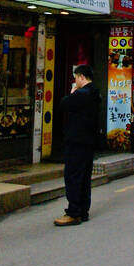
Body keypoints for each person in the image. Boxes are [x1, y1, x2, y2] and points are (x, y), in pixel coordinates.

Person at [55, 64, 100, 226]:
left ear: (81, 77)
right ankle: (83, 211)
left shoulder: (81, 94)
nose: (75, 81)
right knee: (84, 177)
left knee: (73, 177)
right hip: (89, 142)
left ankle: (73, 212)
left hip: (76, 141)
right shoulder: (96, 92)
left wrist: (72, 93)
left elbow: (63, 105)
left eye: (76, 78)